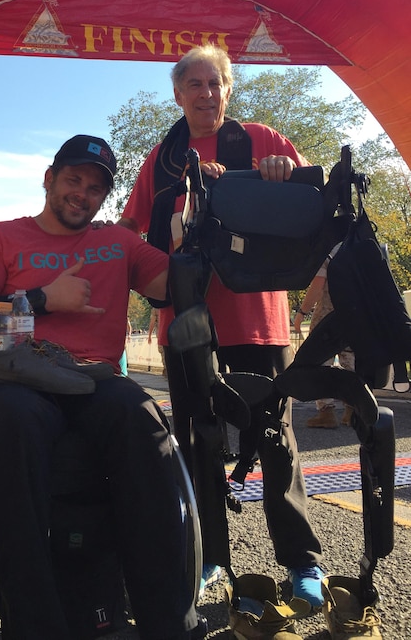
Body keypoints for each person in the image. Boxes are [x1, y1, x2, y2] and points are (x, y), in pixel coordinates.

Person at [0, 135, 203, 640]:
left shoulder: (118, 243)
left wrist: (201, 218)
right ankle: (36, 627)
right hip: (13, 376)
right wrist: (40, 299)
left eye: (95, 188)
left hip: (91, 378)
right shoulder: (2, 237)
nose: (81, 194)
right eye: (73, 180)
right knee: (18, 421)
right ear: (49, 179)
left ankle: (164, 621)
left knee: (141, 417)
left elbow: (176, 284)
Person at [120, 45, 325, 608]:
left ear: (228, 89)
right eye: (195, 85)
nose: (206, 94)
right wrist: (163, 252)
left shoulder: (263, 141)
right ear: (178, 94)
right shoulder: (162, 160)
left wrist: (282, 180)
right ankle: (210, 554)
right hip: (184, 322)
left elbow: (312, 209)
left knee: (275, 438)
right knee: (197, 440)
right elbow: (128, 230)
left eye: (216, 83)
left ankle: (303, 560)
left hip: (258, 319)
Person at [293, 243, 355, 428]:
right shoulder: (358, 248)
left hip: (327, 314)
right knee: (351, 359)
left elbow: (318, 286)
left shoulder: (329, 250)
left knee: (319, 361)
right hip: (354, 314)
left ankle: (326, 412)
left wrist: (302, 313)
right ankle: (353, 408)